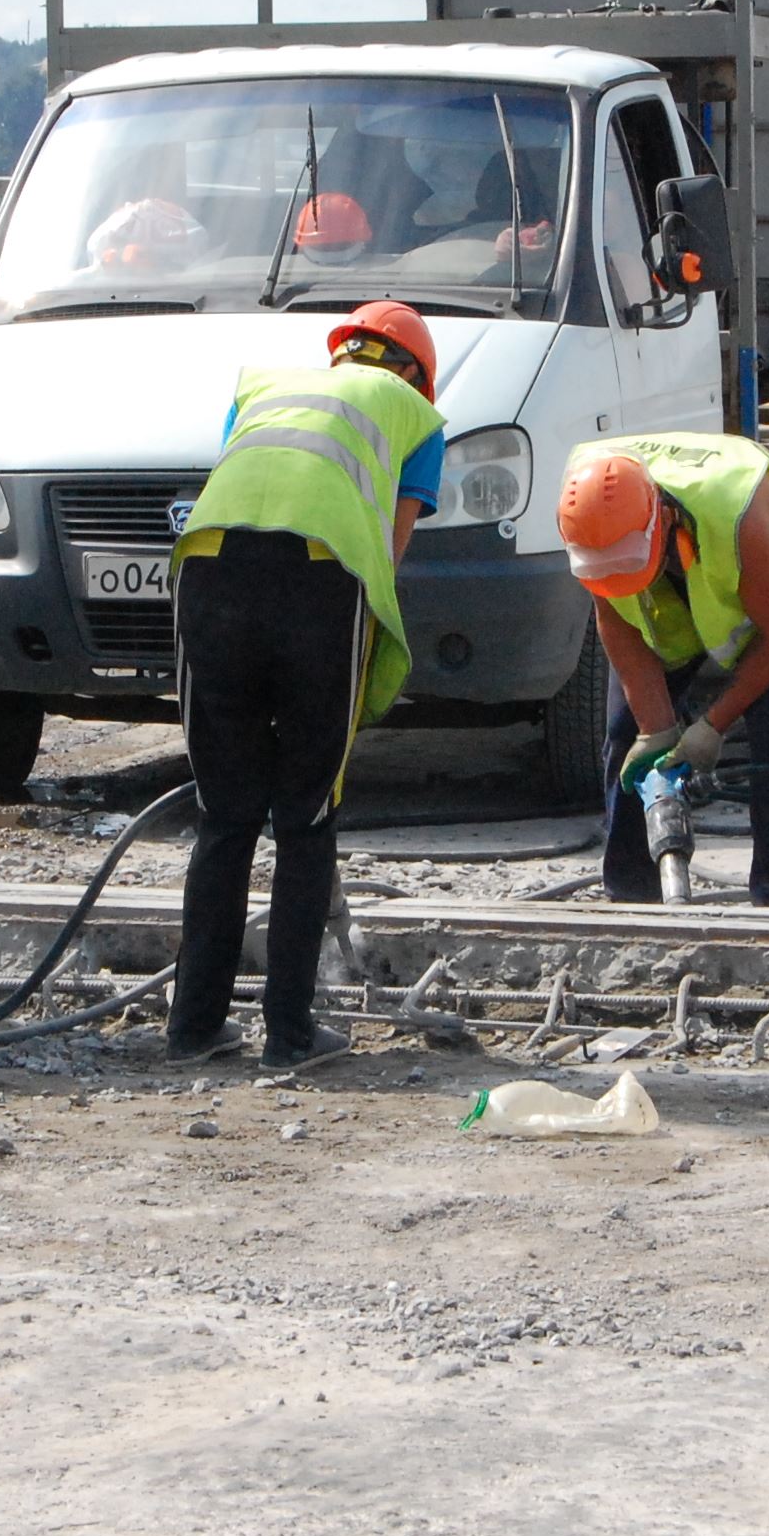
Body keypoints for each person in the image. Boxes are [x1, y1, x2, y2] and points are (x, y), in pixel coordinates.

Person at [163, 302, 445, 1069]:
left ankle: (193, 1027)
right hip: (318, 582)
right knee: (305, 815)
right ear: (417, 372)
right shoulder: (413, 414)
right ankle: (289, 1033)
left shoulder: (266, 386)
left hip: (206, 571)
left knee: (224, 814)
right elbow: (387, 547)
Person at [557, 432, 769, 908]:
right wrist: (655, 729)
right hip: (673, 590)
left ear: (660, 519)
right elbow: (615, 619)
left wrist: (712, 726)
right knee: (627, 740)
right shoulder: (589, 513)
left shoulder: (739, 517)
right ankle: (633, 899)